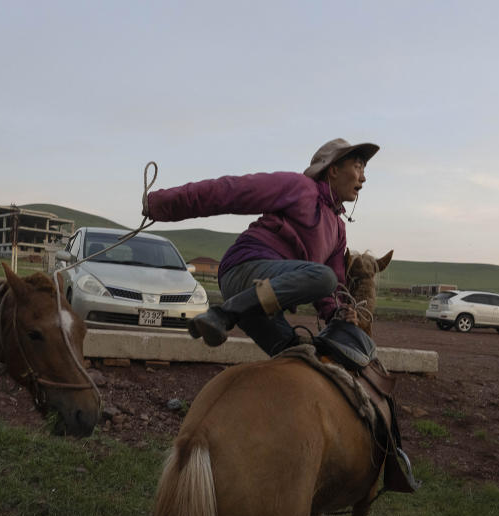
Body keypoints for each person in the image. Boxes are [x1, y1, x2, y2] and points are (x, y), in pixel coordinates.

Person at [144, 138, 378, 355]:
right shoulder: (299, 187)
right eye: (358, 167)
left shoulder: (339, 230)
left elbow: (334, 288)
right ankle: (222, 314)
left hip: (260, 304)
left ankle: (229, 316)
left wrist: (338, 313)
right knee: (323, 277)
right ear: (334, 170)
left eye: (364, 170)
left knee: (297, 356)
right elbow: (230, 191)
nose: (363, 178)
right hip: (246, 268)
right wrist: (162, 204)